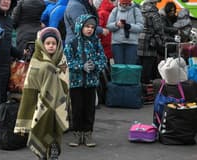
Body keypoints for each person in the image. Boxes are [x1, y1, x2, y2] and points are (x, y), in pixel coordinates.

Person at [14, 27, 69, 160]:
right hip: (41, 102)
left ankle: (54, 148)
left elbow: (66, 82)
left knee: (55, 128)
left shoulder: (62, 60)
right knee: (42, 127)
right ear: (42, 44)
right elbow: (30, 86)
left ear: (58, 44)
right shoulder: (36, 60)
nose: (51, 46)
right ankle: (42, 152)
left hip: (58, 101)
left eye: (54, 43)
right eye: (48, 43)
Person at [64, 14, 107, 147]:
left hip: (91, 83)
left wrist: (95, 66)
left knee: (89, 109)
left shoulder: (95, 42)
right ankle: (77, 134)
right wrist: (80, 66)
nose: (90, 29)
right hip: (76, 83)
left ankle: (88, 133)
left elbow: (103, 59)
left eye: (92, 27)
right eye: (87, 26)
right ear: (80, 26)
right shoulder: (72, 43)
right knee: (77, 109)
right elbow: (66, 62)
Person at [106, 0, 144, 64]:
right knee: (119, 67)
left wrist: (129, 26)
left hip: (132, 44)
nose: (124, 5)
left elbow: (140, 27)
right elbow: (109, 26)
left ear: (130, 2)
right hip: (117, 44)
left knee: (130, 67)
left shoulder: (136, 10)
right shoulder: (115, 10)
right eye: (123, 3)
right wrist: (116, 25)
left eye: (126, 3)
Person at [137, 0, 164, 84]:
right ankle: (146, 88)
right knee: (148, 66)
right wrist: (162, 38)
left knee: (139, 65)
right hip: (149, 41)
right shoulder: (154, 13)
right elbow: (158, 29)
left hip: (139, 40)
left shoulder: (140, 11)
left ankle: (139, 85)